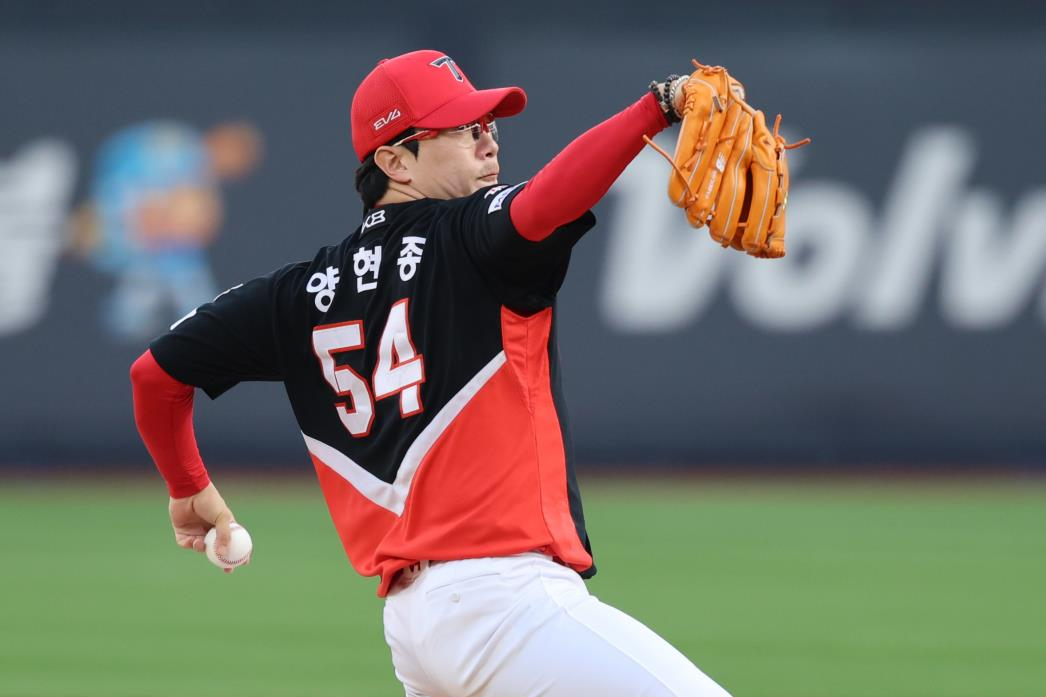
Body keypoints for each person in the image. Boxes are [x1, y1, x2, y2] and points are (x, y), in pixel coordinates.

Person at [131, 49, 731, 697]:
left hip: (414, 630)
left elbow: (155, 374)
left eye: (488, 124)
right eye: (461, 127)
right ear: (394, 160)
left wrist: (187, 485)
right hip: (508, 607)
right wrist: (657, 107)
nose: (487, 139)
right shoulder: (472, 236)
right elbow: (550, 198)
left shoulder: (297, 296)